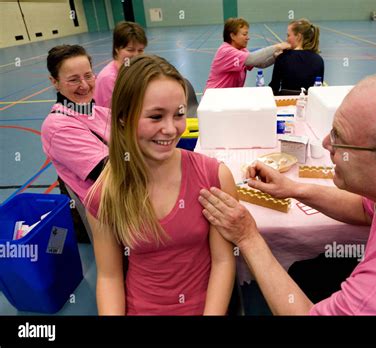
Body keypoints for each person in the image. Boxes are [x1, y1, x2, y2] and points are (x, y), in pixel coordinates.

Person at [199, 71, 376, 315]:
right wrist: (294, 189)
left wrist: (248, 237)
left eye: (341, 138)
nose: (327, 143)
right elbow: (366, 209)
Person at [85, 55, 237, 315]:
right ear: (123, 118)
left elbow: (223, 261)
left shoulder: (214, 177)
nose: (170, 129)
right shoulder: (104, 194)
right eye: (156, 117)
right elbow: (109, 277)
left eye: (178, 114)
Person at [41, 44, 111, 242]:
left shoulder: (99, 112)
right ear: (55, 82)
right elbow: (107, 173)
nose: (85, 85)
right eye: (73, 80)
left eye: (88, 75)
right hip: (104, 216)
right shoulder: (57, 127)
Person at [205, 17, 290, 90]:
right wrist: (277, 47)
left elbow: (261, 64)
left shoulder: (241, 50)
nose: (248, 37)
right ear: (232, 36)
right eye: (244, 34)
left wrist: (276, 57)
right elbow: (252, 59)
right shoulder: (226, 51)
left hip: (228, 97)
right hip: (214, 99)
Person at [94, 21, 147, 108]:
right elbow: (112, 114)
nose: (136, 55)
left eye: (140, 50)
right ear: (117, 49)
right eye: (130, 50)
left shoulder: (137, 70)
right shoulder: (108, 78)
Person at [269, 19, 324, 95]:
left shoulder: (282, 58)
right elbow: (318, 89)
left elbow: (274, 88)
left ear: (298, 36)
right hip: (309, 103)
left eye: (288, 35)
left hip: (286, 103)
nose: (286, 39)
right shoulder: (318, 60)